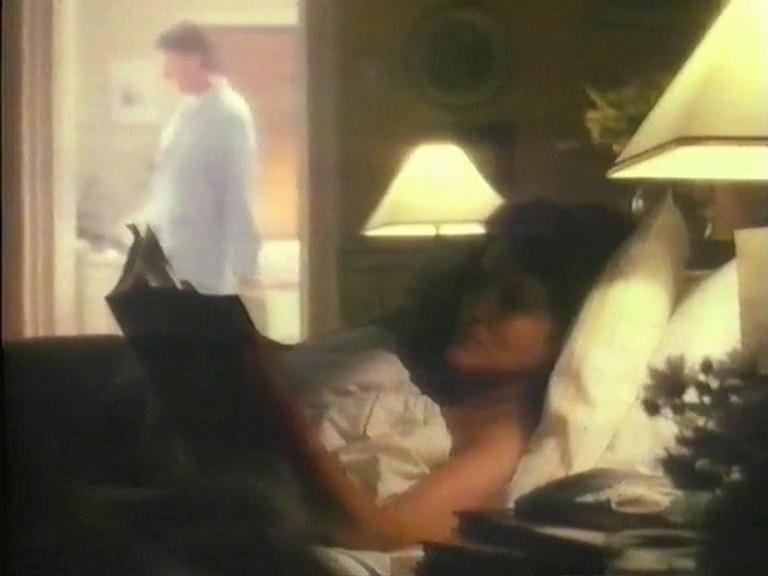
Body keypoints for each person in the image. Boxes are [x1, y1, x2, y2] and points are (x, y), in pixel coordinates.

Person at [272, 200, 636, 550]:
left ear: (564, 336)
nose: (478, 307)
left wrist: (279, 415)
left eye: (513, 302)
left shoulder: (501, 440)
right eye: (479, 285)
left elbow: (379, 532)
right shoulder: (405, 352)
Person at [143, 22, 260, 294]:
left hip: (206, 266)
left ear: (195, 60)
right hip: (171, 258)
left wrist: (246, 268)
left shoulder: (228, 115)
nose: (165, 75)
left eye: (170, 64)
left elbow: (239, 192)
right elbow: (167, 186)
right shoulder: (183, 116)